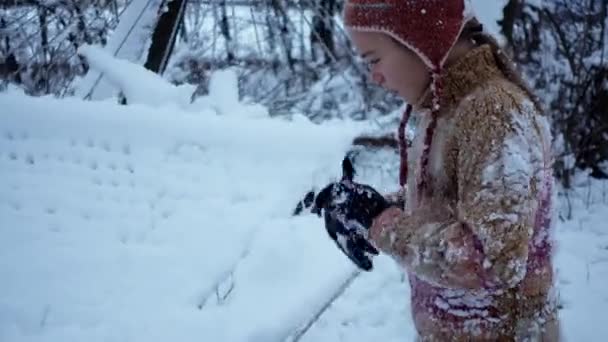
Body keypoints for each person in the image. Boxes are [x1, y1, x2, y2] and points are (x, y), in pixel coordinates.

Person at [311, 0, 559, 340]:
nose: (375, 77)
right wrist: (372, 206)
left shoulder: (492, 114)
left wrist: (379, 222)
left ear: (420, 41)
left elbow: (490, 259)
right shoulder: (446, 104)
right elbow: (452, 202)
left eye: (375, 59)